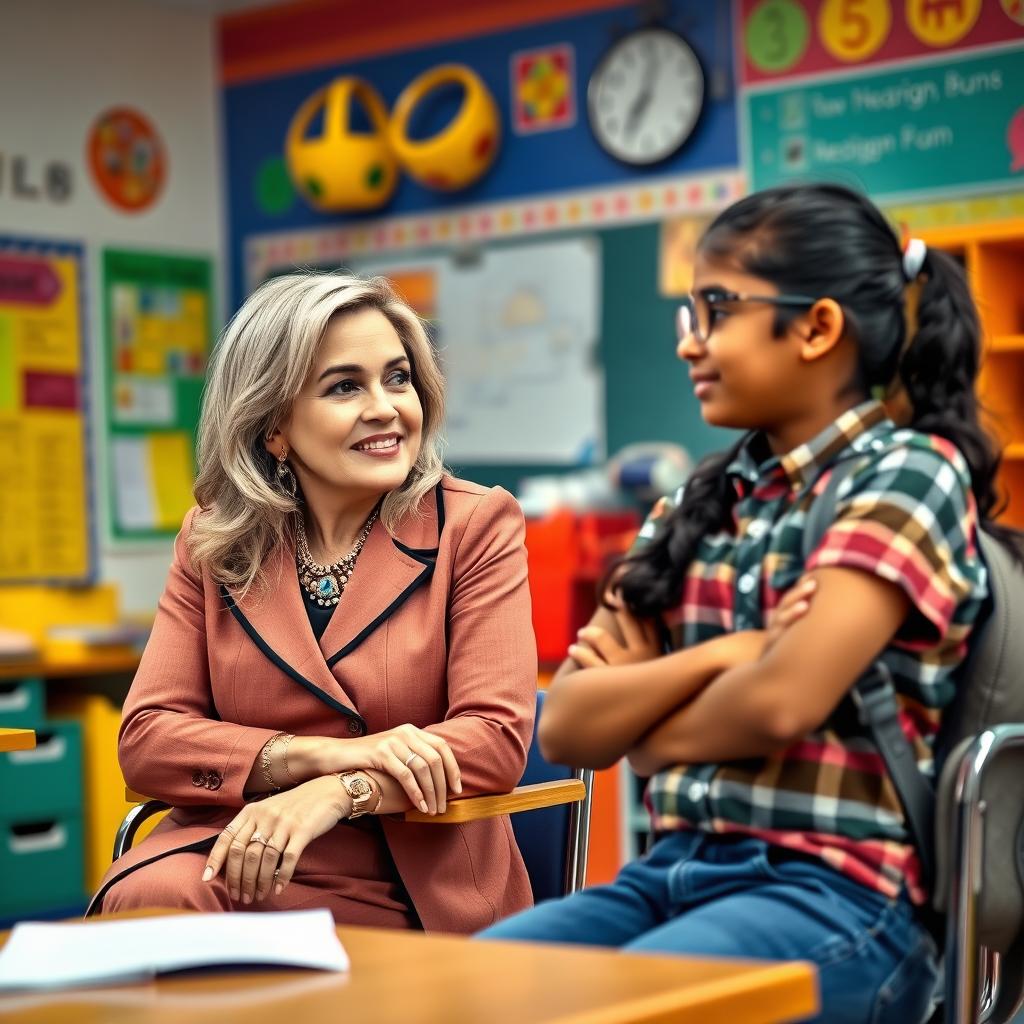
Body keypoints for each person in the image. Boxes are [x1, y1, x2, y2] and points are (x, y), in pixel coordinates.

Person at [480, 183, 1011, 1023]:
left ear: (818, 327)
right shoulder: (695, 506)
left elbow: (778, 704)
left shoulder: (908, 474)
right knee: (466, 988)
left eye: (717, 309)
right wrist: (729, 652)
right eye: (688, 316)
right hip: (669, 877)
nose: (692, 344)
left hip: (840, 899)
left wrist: (649, 738)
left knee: (629, 1008)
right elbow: (571, 727)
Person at [88, 272, 537, 933]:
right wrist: (315, 757)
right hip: (244, 844)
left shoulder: (475, 525)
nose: (385, 407)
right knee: (152, 901)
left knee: (176, 914)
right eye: (345, 386)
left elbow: (492, 741)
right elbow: (149, 738)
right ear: (274, 426)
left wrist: (340, 791)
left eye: (398, 378)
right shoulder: (214, 538)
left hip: (408, 872)